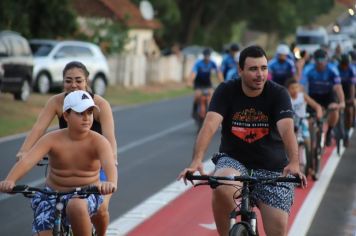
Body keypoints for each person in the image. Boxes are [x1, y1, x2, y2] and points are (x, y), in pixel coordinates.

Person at [178, 45, 307, 236]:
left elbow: (287, 130)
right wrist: (197, 160)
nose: (260, 75)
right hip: (234, 161)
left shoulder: (278, 93)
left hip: (272, 168)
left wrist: (295, 162)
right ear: (240, 70)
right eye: (253, 69)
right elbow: (210, 125)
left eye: (263, 68)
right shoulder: (225, 90)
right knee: (222, 187)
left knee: (278, 230)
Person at [16, 61, 117, 235]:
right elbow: (39, 128)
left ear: (87, 81)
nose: (73, 85)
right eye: (68, 81)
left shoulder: (100, 105)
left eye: (78, 80)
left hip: (95, 163)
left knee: (99, 210)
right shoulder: (56, 102)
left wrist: (110, 161)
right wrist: (25, 150)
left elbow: (109, 138)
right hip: (68, 158)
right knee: (52, 199)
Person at [303, 49, 345, 146]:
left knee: (334, 110)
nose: (321, 63)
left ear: (326, 60)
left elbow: (338, 87)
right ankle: (311, 139)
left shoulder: (332, 69)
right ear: (314, 60)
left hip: (328, 95)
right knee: (308, 119)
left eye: (323, 60)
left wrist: (342, 101)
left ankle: (329, 131)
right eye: (318, 60)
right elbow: (301, 87)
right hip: (313, 96)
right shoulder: (308, 69)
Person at [286, 78, 323, 175]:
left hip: (302, 122)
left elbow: (317, 106)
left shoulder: (303, 96)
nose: (295, 90)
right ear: (288, 89)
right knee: (288, 145)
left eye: (296, 87)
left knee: (308, 142)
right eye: (292, 88)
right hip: (291, 124)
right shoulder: (285, 98)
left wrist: (319, 113)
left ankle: (311, 166)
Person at [188, 48, 223, 118]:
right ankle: (194, 111)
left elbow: (218, 72)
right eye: (205, 56)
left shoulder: (212, 63)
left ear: (210, 56)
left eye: (208, 56)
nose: (207, 58)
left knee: (211, 95)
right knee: (197, 95)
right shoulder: (198, 63)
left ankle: (211, 112)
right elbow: (193, 73)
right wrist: (190, 82)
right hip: (198, 83)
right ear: (203, 56)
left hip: (207, 83)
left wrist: (222, 82)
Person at [337, 53, 356, 146]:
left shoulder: (351, 70)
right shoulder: (335, 69)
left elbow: (352, 86)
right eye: (343, 64)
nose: (345, 66)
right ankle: (335, 130)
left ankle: (347, 133)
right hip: (338, 89)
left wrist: (352, 98)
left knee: (349, 111)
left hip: (348, 89)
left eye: (346, 64)